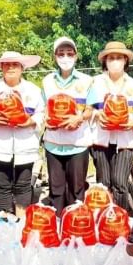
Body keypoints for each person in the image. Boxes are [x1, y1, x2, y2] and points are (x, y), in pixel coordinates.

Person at [0, 50, 43, 218]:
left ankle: (21, 222)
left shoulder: (33, 90)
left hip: (26, 143)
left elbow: (42, 113)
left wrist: (30, 121)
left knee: (23, 185)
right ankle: (4, 219)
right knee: (2, 185)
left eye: (15, 64)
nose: (11, 68)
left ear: (22, 68)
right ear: (1, 67)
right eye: (7, 64)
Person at [41, 36, 93, 214]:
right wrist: (47, 119)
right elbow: (44, 109)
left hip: (77, 144)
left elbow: (90, 109)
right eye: (61, 54)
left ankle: (76, 226)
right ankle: (57, 226)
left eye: (69, 53)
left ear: (76, 56)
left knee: (76, 189)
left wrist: (78, 119)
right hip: (53, 143)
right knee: (56, 189)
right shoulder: (47, 81)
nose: (65, 57)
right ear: (55, 57)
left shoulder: (86, 80)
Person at [87, 41, 133, 213]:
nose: (115, 61)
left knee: (120, 182)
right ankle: (103, 220)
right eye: (111, 58)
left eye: (119, 58)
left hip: (125, 140)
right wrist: (97, 114)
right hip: (101, 139)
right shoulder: (94, 82)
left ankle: (119, 219)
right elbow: (88, 109)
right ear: (105, 61)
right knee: (104, 182)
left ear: (126, 60)